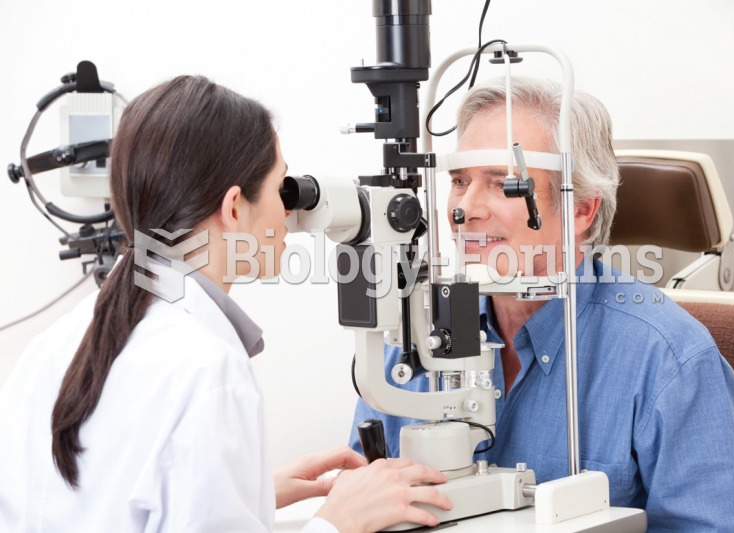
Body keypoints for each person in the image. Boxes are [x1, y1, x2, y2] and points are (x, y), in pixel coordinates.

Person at [0, 75, 452, 532]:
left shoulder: (53, 344)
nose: (289, 215)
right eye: (282, 190)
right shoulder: (206, 369)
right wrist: (336, 523)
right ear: (234, 207)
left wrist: (248, 492)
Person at [349, 76, 734, 531]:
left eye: (502, 183)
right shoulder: (413, 341)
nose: (465, 208)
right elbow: (364, 497)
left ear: (581, 209)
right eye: (459, 180)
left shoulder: (667, 358)